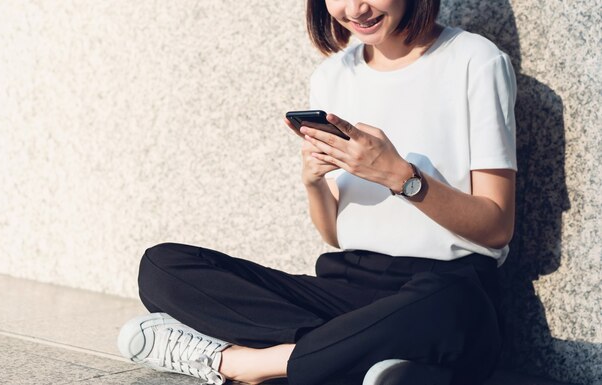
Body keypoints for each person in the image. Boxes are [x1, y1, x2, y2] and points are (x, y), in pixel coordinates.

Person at [117, 0, 517, 384]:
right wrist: (312, 180)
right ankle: (364, 360)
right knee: (162, 267)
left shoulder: (475, 61)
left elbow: (496, 226)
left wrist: (400, 178)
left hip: (443, 288)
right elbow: (334, 235)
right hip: (346, 290)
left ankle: (245, 362)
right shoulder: (333, 76)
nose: (355, 9)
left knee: (452, 304)